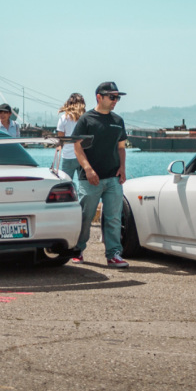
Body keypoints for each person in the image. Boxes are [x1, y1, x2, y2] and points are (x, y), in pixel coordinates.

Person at [69, 82, 129, 268]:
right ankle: (77, 249)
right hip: (89, 179)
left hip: (113, 177)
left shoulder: (118, 121)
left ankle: (113, 254)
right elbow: (77, 146)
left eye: (117, 97)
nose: (115, 101)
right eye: (112, 97)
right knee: (86, 216)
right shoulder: (87, 120)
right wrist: (87, 169)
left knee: (113, 217)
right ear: (99, 97)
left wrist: (123, 168)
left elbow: (121, 148)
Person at [55, 93, 86, 181]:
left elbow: (61, 140)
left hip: (68, 156)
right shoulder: (85, 118)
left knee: (66, 182)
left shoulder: (63, 118)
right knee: (84, 184)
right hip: (83, 156)